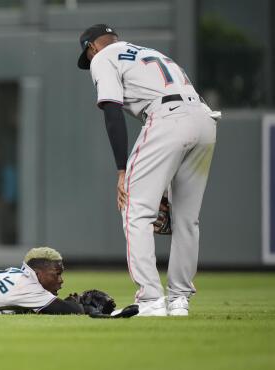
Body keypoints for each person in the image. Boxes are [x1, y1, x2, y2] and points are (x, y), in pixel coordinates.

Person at [77, 24, 218, 316]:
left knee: (135, 210)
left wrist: (121, 171)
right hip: (204, 121)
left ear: (92, 47)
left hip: (166, 118)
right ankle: (180, 300)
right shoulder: (150, 53)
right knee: (186, 219)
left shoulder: (103, 58)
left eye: (87, 56)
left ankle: (150, 299)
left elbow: (112, 113)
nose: (90, 62)